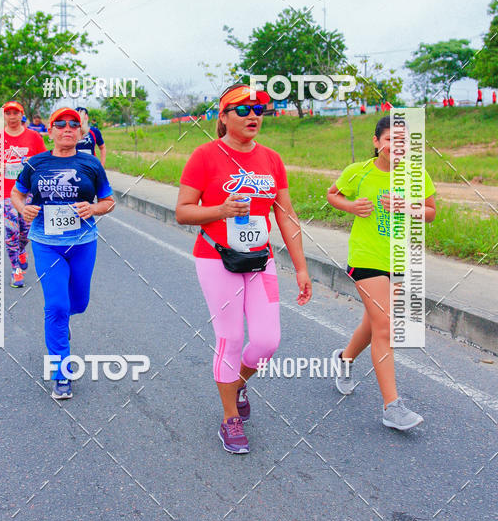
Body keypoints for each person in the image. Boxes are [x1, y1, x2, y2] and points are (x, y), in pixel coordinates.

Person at [176, 83, 312, 454]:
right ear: (223, 117)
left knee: (267, 341)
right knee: (231, 338)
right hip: (216, 258)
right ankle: (229, 417)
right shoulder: (205, 156)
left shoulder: (271, 159)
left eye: (259, 110)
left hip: (260, 261)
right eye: (243, 109)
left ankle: (236, 382)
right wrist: (221, 210)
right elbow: (183, 211)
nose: (253, 115)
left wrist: (300, 267)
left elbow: (285, 215)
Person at [326, 115, 436, 430]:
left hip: (400, 259)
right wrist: (351, 207)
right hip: (366, 257)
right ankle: (392, 407)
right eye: (390, 140)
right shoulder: (357, 172)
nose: (396, 147)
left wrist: (406, 206)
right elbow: (332, 194)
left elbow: (430, 213)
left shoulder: (416, 175)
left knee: (375, 324)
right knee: (386, 326)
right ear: (377, 142)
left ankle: (344, 360)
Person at [10, 107, 115, 400]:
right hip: (46, 241)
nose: (67, 128)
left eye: (73, 124)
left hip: (83, 242)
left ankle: (63, 323)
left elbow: (109, 201)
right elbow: (16, 193)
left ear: (81, 132)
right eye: (60, 124)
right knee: (55, 306)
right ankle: (61, 373)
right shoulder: (36, 163)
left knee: (77, 303)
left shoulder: (91, 163)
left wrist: (93, 208)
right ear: (51, 130)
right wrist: (23, 208)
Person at [0, 101, 46, 288]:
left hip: (27, 192)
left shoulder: (33, 136)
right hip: (4, 191)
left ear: (21, 115)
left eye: (15, 113)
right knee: (10, 231)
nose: (12, 116)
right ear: (4, 116)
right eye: (8, 113)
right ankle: (16, 269)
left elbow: (44, 159)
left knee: (25, 229)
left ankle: (22, 250)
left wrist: (32, 163)